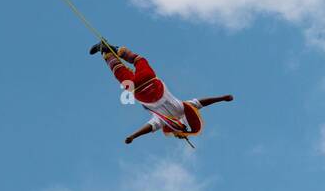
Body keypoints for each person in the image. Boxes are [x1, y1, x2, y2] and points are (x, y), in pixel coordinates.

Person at [89, 41, 234, 144]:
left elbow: (200, 103)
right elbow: (149, 127)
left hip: (149, 81)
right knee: (120, 71)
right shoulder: (165, 119)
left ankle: (111, 49)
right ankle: (107, 50)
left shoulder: (181, 109)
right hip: (139, 89)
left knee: (137, 60)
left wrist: (222, 98)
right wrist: (133, 136)